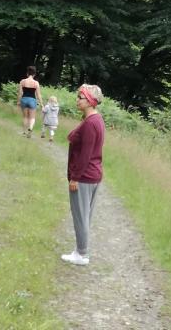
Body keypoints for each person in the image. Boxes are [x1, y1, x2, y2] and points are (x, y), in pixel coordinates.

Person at [62, 84, 105, 266]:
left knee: (81, 216)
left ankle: (81, 254)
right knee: (84, 216)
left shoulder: (90, 123)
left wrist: (75, 177)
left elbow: (85, 154)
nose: (77, 100)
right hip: (92, 175)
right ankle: (80, 250)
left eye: (80, 97)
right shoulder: (95, 119)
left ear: (90, 101)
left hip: (85, 177)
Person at [17, 66, 43, 138]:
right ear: (34, 74)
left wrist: (18, 101)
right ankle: (30, 128)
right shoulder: (36, 83)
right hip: (32, 100)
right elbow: (38, 95)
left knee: (25, 117)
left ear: (27, 73)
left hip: (24, 99)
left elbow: (20, 93)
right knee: (32, 117)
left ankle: (24, 132)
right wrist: (41, 104)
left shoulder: (22, 81)